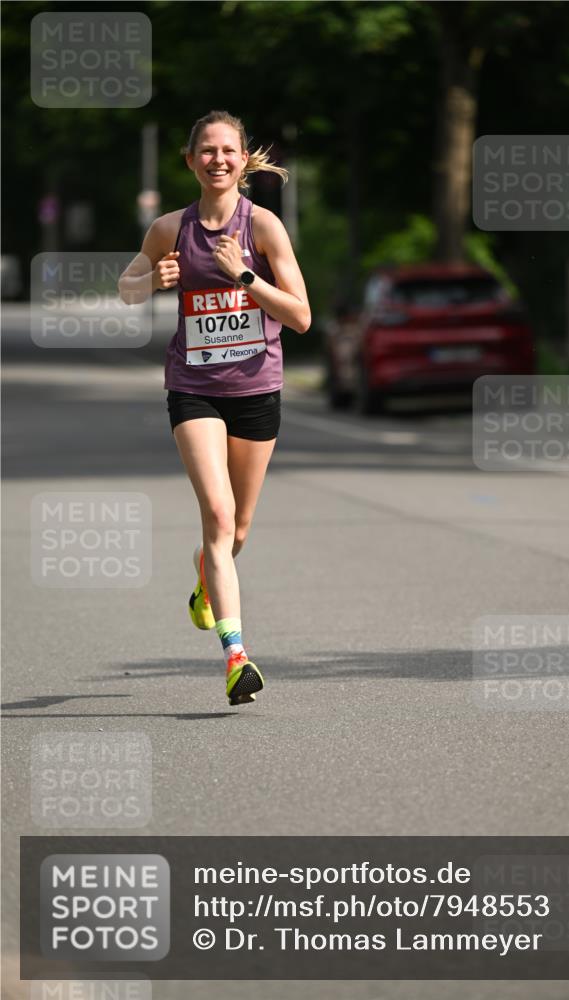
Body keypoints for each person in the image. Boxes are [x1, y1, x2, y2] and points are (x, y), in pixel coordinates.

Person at [119, 110, 310, 706]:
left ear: (243, 158)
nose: (217, 159)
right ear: (190, 159)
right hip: (193, 387)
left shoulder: (266, 228)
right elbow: (125, 287)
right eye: (206, 150)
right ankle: (237, 658)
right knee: (220, 518)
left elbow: (301, 316)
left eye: (228, 150)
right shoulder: (168, 229)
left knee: (238, 530)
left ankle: (206, 581)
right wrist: (152, 281)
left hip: (257, 389)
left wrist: (245, 276)